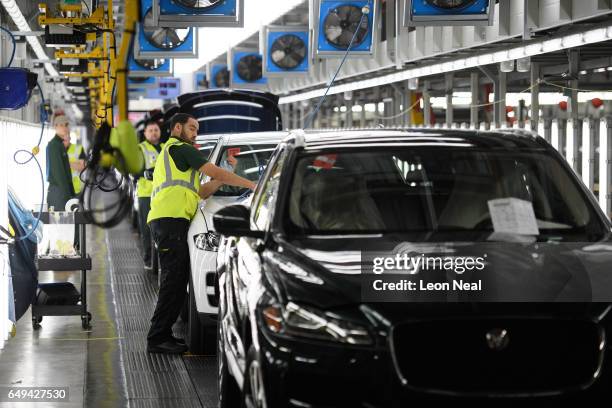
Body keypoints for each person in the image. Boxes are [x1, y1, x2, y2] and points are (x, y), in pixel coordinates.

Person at [146, 113, 256, 354]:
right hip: (169, 221)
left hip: (171, 221)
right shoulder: (180, 148)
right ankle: (157, 338)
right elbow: (215, 171)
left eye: (197, 129)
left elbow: (202, 192)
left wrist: (222, 176)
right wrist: (252, 185)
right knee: (173, 282)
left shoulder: (177, 155)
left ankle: (162, 335)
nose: (195, 133)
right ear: (177, 128)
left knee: (176, 281)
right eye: (192, 128)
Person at [137, 121, 164, 272]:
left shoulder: (165, 147)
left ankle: (160, 260)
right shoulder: (141, 148)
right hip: (146, 195)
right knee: (147, 229)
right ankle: (148, 259)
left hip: (163, 194)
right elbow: (135, 169)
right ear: (145, 133)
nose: (154, 133)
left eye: (156, 130)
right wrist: (147, 172)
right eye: (150, 130)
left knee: (161, 229)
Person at [46, 115, 75, 211]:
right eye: (62, 125)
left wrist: (72, 194)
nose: (65, 128)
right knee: (60, 224)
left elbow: (66, 173)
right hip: (58, 192)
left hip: (62, 190)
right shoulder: (54, 146)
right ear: (56, 126)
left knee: (66, 223)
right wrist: (68, 196)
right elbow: (59, 173)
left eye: (66, 125)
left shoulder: (60, 145)